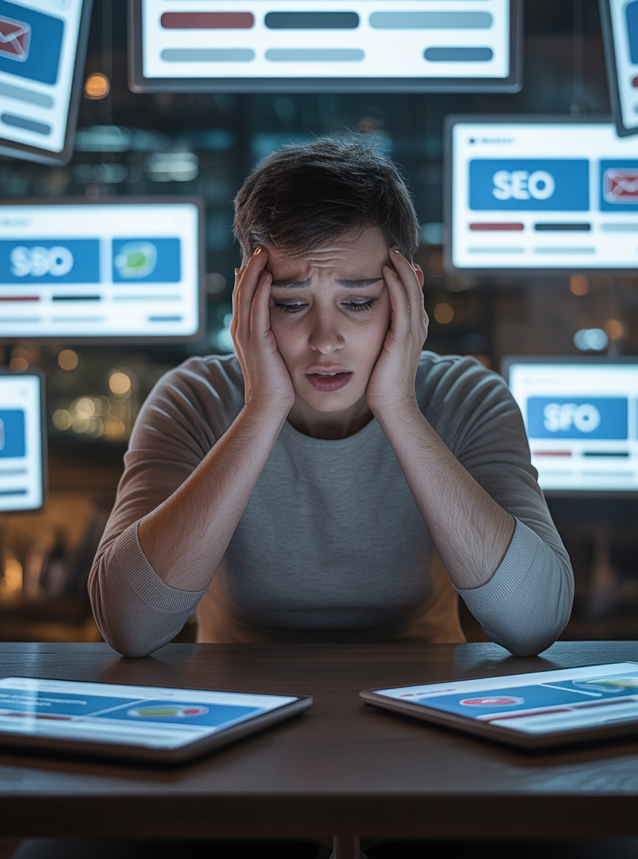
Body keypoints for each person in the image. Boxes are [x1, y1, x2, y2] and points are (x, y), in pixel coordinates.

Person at [89, 138, 573, 655]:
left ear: (407, 296)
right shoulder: (193, 399)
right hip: (240, 702)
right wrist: (261, 410)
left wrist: (400, 409)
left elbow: (534, 621)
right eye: (292, 304)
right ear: (248, 300)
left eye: (359, 302)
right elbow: (129, 626)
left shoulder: (468, 397)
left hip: (421, 700)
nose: (325, 339)